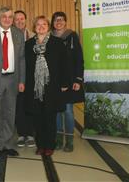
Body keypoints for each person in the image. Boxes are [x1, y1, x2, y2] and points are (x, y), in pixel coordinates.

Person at [0, 7, 25, 159]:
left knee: (9, 113)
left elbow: (21, 59)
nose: (7, 19)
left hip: (13, 79)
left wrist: (22, 80)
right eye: (4, 16)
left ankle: (7, 144)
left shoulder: (18, 34)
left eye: (10, 17)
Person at [24, 15, 68, 156]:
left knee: (49, 117)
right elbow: (25, 67)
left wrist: (64, 83)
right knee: (37, 118)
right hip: (34, 87)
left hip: (52, 86)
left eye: (44, 24)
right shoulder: (29, 44)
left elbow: (64, 64)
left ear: (48, 27)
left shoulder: (57, 43)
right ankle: (40, 144)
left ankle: (50, 145)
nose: (41, 26)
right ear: (34, 27)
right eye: (38, 24)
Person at [51, 11, 84, 152]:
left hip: (70, 80)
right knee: (57, 111)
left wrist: (78, 79)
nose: (59, 22)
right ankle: (58, 139)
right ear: (53, 22)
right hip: (55, 81)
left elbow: (79, 59)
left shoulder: (72, 36)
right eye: (56, 20)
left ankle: (69, 140)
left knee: (69, 111)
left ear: (65, 21)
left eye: (61, 20)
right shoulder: (49, 37)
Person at [13, 10, 36, 148]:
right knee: (19, 106)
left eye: (22, 18)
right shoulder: (10, 37)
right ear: (14, 22)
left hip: (32, 77)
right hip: (16, 78)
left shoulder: (33, 36)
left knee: (31, 105)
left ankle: (31, 134)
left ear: (26, 20)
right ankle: (21, 134)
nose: (20, 21)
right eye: (17, 19)